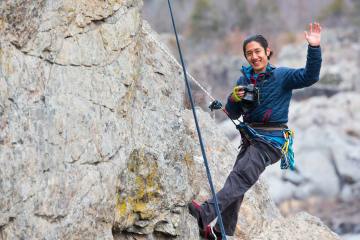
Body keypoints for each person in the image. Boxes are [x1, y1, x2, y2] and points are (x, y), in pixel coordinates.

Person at [188, 22, 322, 239]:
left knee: (239, 178)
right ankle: (221, 232)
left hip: (271, 141)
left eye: (258, 51)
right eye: (249, 53)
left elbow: (310, 76)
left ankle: (205, 213)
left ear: (267, 52)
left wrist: (314, 48)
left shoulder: (282, 76)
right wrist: (233, 98)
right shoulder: (243, 81)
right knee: (237, 184)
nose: (254, 56)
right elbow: (232, 113)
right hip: (251, 139)